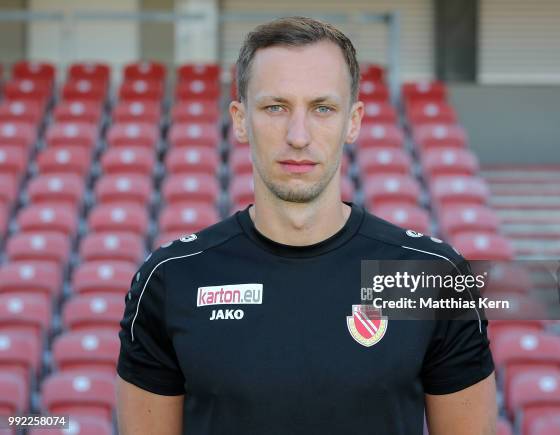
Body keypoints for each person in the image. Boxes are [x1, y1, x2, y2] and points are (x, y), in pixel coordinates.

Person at [116, 16, 497, 435]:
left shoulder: (430, 276)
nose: (298, 136)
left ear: (353, 121)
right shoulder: (173, 278)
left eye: (322, 108)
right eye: (275, 107)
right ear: (241, 120)